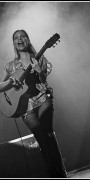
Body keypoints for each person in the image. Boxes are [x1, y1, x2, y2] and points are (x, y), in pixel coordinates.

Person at [0, 29, 67, 178]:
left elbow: (43, 80)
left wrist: (40, 71)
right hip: (26, 109)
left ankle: (60, 174)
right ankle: (55, 174)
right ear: (13, 43)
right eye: (16, 38)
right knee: (43, 140)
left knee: (48, 132)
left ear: (28, 40)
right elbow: (2, 86)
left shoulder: (39, 58)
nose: (20, 39)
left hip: (43, 99)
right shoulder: (10, 66)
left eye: (23, 36)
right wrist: (12, 84)